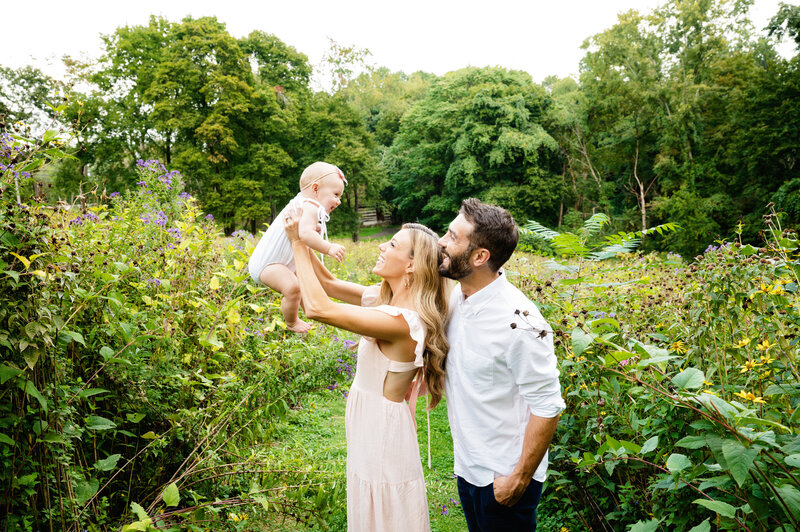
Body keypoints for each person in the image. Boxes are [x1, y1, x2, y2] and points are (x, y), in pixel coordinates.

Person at [284, 209, 449, 532]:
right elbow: (328, 284)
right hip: (369, 418)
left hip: (383, 429)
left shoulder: (404, 322)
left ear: (411, 264)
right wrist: (303, 235)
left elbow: (318, 308)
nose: (381, 247)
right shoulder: (383, 299)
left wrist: (297, 246)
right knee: (372, 507)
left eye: (391, 244)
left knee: (386, 512)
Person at [437, 198, 565, 532]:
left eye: (452, 237)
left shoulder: (521, 324)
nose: (441, 242)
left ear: (480, 257)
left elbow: (548, 405)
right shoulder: (456, 298)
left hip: (503, 476)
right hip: (468, 465)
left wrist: (519, 478)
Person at [248, 161, 348, 332]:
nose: (338, 201)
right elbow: (305, 235)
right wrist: (328, 247)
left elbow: (305, 232)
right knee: (294, 288)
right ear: (315, 189)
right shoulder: (310, 205)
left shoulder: (302, 203)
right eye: (336, 194)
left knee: (303, 284)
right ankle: (292, 322)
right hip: (269, 265)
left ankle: (310, 310)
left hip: (276, 262)